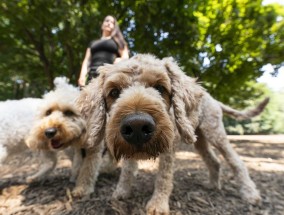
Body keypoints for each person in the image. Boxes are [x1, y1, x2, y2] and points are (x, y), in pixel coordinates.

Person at [78, 15, 129, 87]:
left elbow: (126, 58)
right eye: (107, 21)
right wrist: (82, 76)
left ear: (114, 27)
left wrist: (120, 60)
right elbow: (87, 60)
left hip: (109, 76)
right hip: (92, 78)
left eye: (112, 22)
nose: (109, 23)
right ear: (102, 25)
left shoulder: (118, 41)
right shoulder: (93, 43)